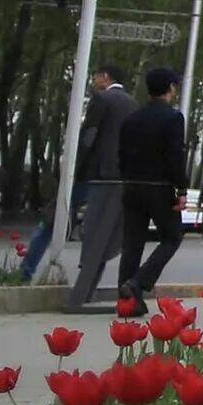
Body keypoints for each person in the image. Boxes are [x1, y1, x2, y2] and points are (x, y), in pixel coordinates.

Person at [66, 64, 136, 310]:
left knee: (94, 234)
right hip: (123, 175)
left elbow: (89, 136)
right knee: (106, 236)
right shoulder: (132, 103)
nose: (94, 80)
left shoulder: (101, 99)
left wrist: (77, 166)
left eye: (95, 76)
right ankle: (85, 293)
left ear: (105, 77)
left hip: (100, 175)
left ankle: (80, 296)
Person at [115, 66, 187, 303]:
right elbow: (174, 156)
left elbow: (122, 154)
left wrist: (127, 177)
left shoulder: (132, 118)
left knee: (132, 243)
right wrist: (181, 189)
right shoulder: (173, 118)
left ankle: (126, 302)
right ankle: (139, 282)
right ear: (171, 88)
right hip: (159, 187)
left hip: (132, 185)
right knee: (172, 237)